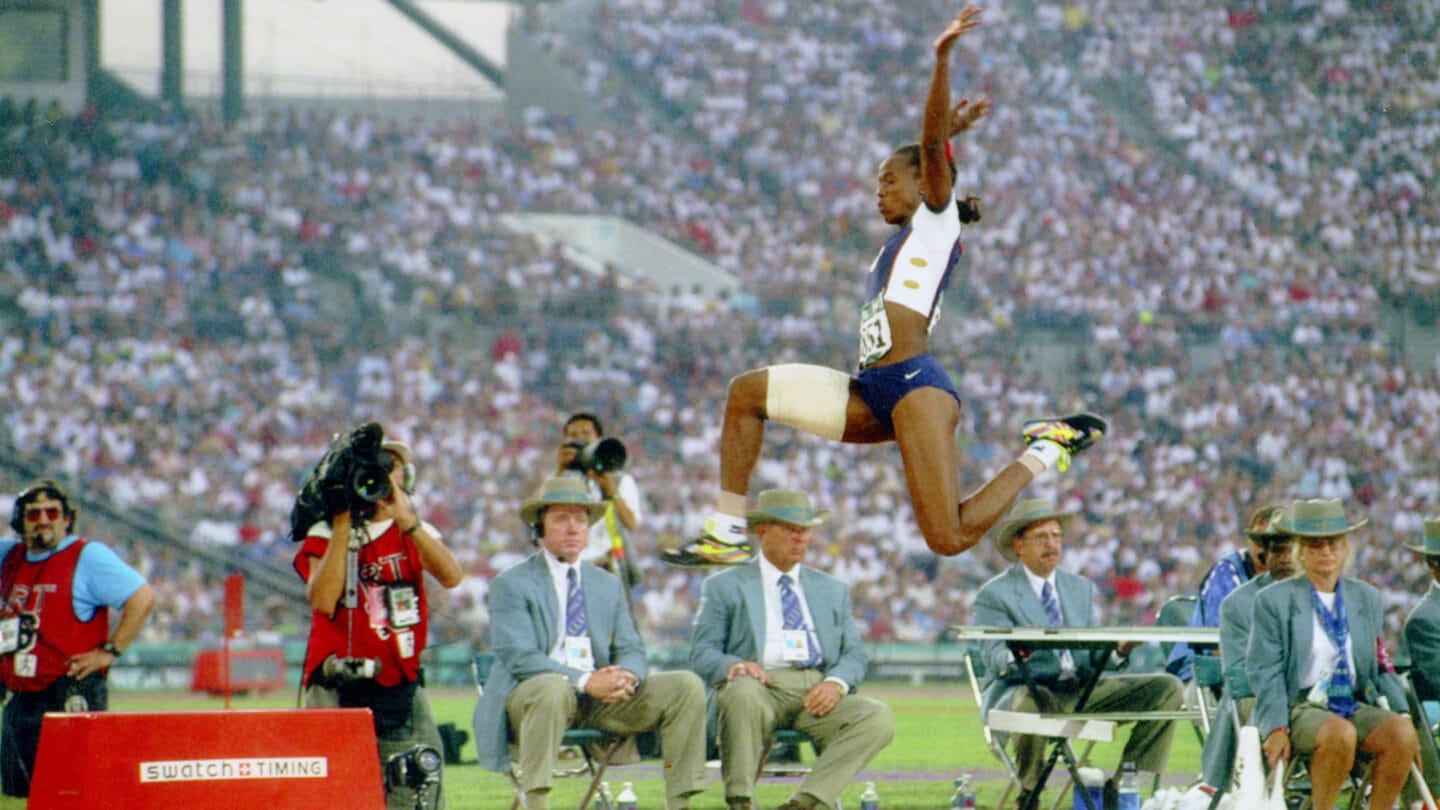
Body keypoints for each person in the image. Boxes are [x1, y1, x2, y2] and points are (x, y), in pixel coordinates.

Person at [662, 4, 1105, 568]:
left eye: (889, 180)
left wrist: (941, 63)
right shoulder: (898, 239)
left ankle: (1048, 447)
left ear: (925, 183)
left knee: (948, 537)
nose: (879, 192)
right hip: (871, 391)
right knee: (745, 394)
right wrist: (945, 134)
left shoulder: (937, 221)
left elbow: (926, 146)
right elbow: (925, 149)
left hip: (917, 386)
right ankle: (725, 530)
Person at [473, 476, 707, 810]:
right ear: (538, 528)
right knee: (552, 687)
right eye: (561, 519)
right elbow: (519, 656)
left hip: (598, 702)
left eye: (580, 520)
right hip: (533, 697)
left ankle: (679, 802)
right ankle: (537, 803)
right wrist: (585, 680)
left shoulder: (607, 584)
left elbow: (631, 647)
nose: (573, 528)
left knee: (685, 685)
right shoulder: (510, 583)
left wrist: (627, 677)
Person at [688, 489, 894, 810]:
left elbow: (854, 654)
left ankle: (805, 801)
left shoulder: (831, 589)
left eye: (805, 530)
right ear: (762, 531)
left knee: (877, 717)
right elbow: (702, 651)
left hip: (815, 690)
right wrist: (734, 666)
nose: (800, 538)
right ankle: (741, 800)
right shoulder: (724, 586)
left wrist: (836, 684)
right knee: (741, 692)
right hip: (758, 686)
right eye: (789, 529)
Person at [292, 427, 464, 810]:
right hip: (335, 678)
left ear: (406, 478)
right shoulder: (326, 531)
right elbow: (322, 599)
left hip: (400, 675)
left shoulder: (415, 532)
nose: (380, 477)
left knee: (420, 772)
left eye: (390, 468)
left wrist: (409, 523)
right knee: (333, 779)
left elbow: (452, 576)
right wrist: (341, 526)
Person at [973, 498, 1183, 809]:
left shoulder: (1079, 588)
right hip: (1028, 692)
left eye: (1056, 536)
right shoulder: (994, 594)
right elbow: (994, 658)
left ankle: (1123, 784)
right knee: (1030, 703)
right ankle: (1028, 794)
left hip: (1082, 692)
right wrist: (1022, 650)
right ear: (1019, 546)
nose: (1051, 544)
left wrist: (1117, 653)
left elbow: (1090, 658)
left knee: (1168, 688)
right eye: (1041, 537)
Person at [1247, 498, 1417, 810]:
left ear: (1345, 549)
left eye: (1333, 544)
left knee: (1403, 734)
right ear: (1300, 550)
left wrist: (1402, 711)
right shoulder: (1273, 601)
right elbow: (1264, 671)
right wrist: (1274, 727)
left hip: (1353, 701)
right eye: (1315, 545)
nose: (1325, 552)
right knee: (1340, 733)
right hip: (1299, 706)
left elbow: (1382, 664)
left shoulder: (1366, 597)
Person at [1, 478, 157, 798]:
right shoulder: (8, 557)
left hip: (69, 690)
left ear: (66, 519)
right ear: (20, 521)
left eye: (52, 512)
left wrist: (110, 651)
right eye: (33, 514)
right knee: (19, 794)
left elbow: (142, 597)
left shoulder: (87, 556)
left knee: (73, 793)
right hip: (21, 695)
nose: (43, 520)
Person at [1188, 515, 1297, 804]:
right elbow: (1240, 675)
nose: (1284, 558)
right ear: (1264, 555)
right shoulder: (1238, 603)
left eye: (1291, 549)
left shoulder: (1328, 596)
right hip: (1257, 697)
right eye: (1276, 550)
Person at [1167, 503, 1289, 681]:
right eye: (1260, 542)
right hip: (1203, 670)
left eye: (1277, 546)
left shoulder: (1288, 578)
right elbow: (1221, 643)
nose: (1266, 551)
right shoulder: (1226, 574)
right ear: (1249, 542)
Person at [555, 412, 644, 584]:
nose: (581, 440)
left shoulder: (620, 480)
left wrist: (610, 491)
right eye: (574, 436)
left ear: (599, 439)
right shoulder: (563, 480)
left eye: (586, 434)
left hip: (610, 570)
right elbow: (537, 518)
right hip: (571, 573)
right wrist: (559, 469)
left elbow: (632, 524)